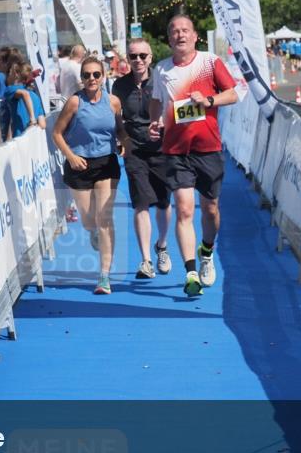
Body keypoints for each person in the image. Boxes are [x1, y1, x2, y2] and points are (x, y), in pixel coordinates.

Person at [148, 15, 238, 297]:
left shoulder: (210, 62)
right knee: (184, 209)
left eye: (185, 30)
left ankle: (207, 253)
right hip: (176, 150)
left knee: (210, 209)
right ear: (169, 38)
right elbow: (155, 102)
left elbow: (233, 94)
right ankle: (190, 273)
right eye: (174, 31)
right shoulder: (161, 70)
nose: (180, 35)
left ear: (195, 35)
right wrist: (155, 123)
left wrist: (209, 100)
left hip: (208, 148)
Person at [53, 56, 131, 295]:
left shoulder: (113, 102)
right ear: (82, 78)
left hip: (106, 162)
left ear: (103, 76)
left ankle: (104, 276)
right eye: (86, 75)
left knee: (105, 217)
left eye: (96, 74)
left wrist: (125, 142)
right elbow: (57, 133)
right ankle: (93, 232)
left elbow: (119, 129)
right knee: (89, 221)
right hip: (79, 164)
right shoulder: (75, 103)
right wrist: (71, 157)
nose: (91, 79)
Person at [113, 38, 172, 279]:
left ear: (150, 58)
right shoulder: (119, 85)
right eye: (133, 56)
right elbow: (117, 117)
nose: (138, 60)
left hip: (161, 147)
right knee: (141, 202)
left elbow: (173, 110)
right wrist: (121, 138)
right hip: (134, 149)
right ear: (127, 59)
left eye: (142, 56)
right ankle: (146, 260)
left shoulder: (162, 81)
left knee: (163, 203)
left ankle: (162, 246)